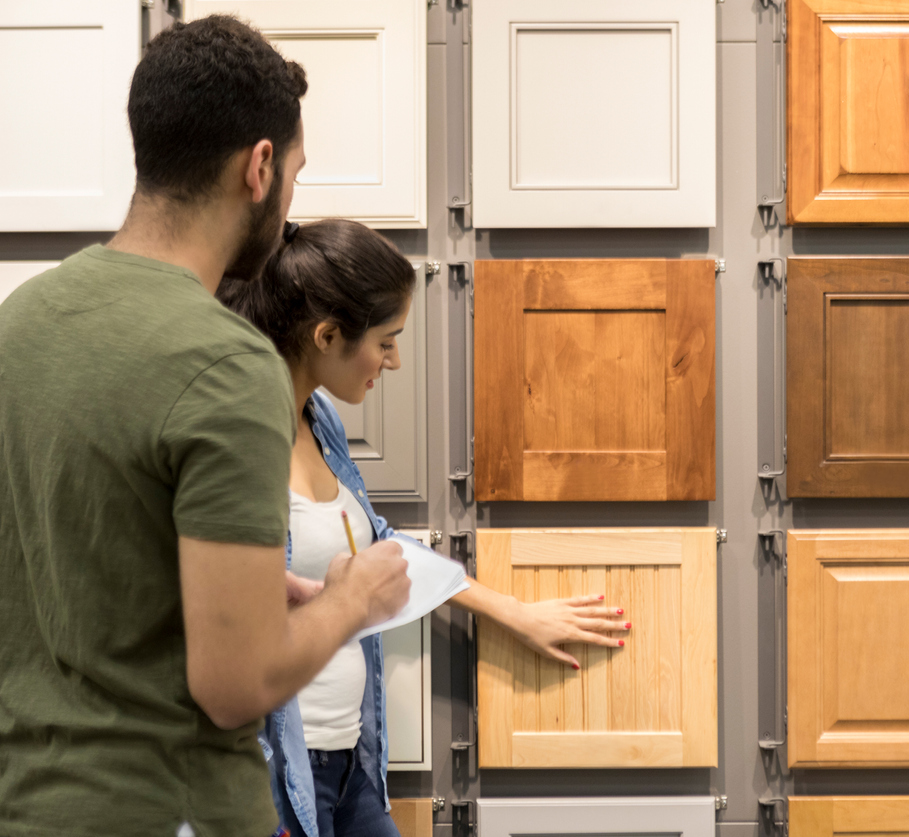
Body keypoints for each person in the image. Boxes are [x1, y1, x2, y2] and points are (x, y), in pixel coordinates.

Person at [0, 17, 410, 837]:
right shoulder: (228, 364)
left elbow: (80, 564)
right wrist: (351, 602)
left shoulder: (24, 321)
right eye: (294, 172)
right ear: (259, 166)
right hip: (172, 812)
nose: (290, 196)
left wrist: (257, 592)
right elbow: (237, 681)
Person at [218, 219, 631, 837]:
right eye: (385, 342)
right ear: (327, 335)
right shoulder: (232, 440)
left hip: (351, 761)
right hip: (276, 777)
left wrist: (514, 613)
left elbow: (378, 545)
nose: (395, 360)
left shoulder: (319, 418)